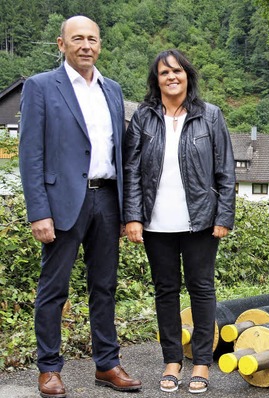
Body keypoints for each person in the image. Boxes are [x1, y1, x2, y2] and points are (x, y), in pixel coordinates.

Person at [18, 15, 142, 398]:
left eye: (92, 39)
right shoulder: (40, 87)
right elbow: (30, 153)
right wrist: (39, 211)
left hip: (107, 199)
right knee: (53, 289)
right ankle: (49, 369)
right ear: (61, 44)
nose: (86, 45)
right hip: (61, 202)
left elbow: (120, 152)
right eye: (77, 39)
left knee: (104, 286)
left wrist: (125, 209)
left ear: (100, 45)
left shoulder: (113, 89)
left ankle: (107, 365)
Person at [123, 49, 236, 394]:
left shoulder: (211, 116)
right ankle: (172, 360)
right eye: (163, 73)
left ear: (188, 75)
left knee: (202, 290)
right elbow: (131, 171)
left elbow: (226, 171)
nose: (171, 77)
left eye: (177, 71)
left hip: (200, 220)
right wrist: (132, 217)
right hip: (156, 222)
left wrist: (224, 215)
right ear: (155, 80)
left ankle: (201, 361)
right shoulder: (143, 117)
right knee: (165, 291)